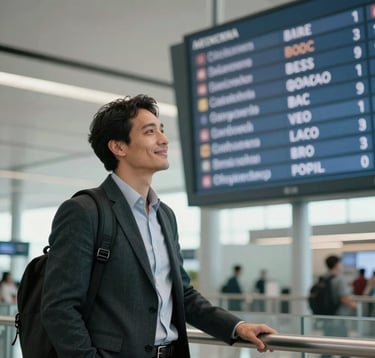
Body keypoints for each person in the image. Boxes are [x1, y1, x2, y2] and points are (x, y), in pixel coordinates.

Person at [41, 94, 277, 358]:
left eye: (162, 131)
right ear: (119, 147)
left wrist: (237, 327)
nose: (164, 140)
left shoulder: (165, 215)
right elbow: (59, 307)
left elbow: (183, 295)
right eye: (150, 132)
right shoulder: (84, 212)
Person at [321, 255, 357, 358]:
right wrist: (355, 306)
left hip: (327, 316)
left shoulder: (325, 277)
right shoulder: (339, 278)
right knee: (344, 345)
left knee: (326, 344)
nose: (342, 265)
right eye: (340, 263)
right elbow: (343, 298)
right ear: (336, 264)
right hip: (339, 316)